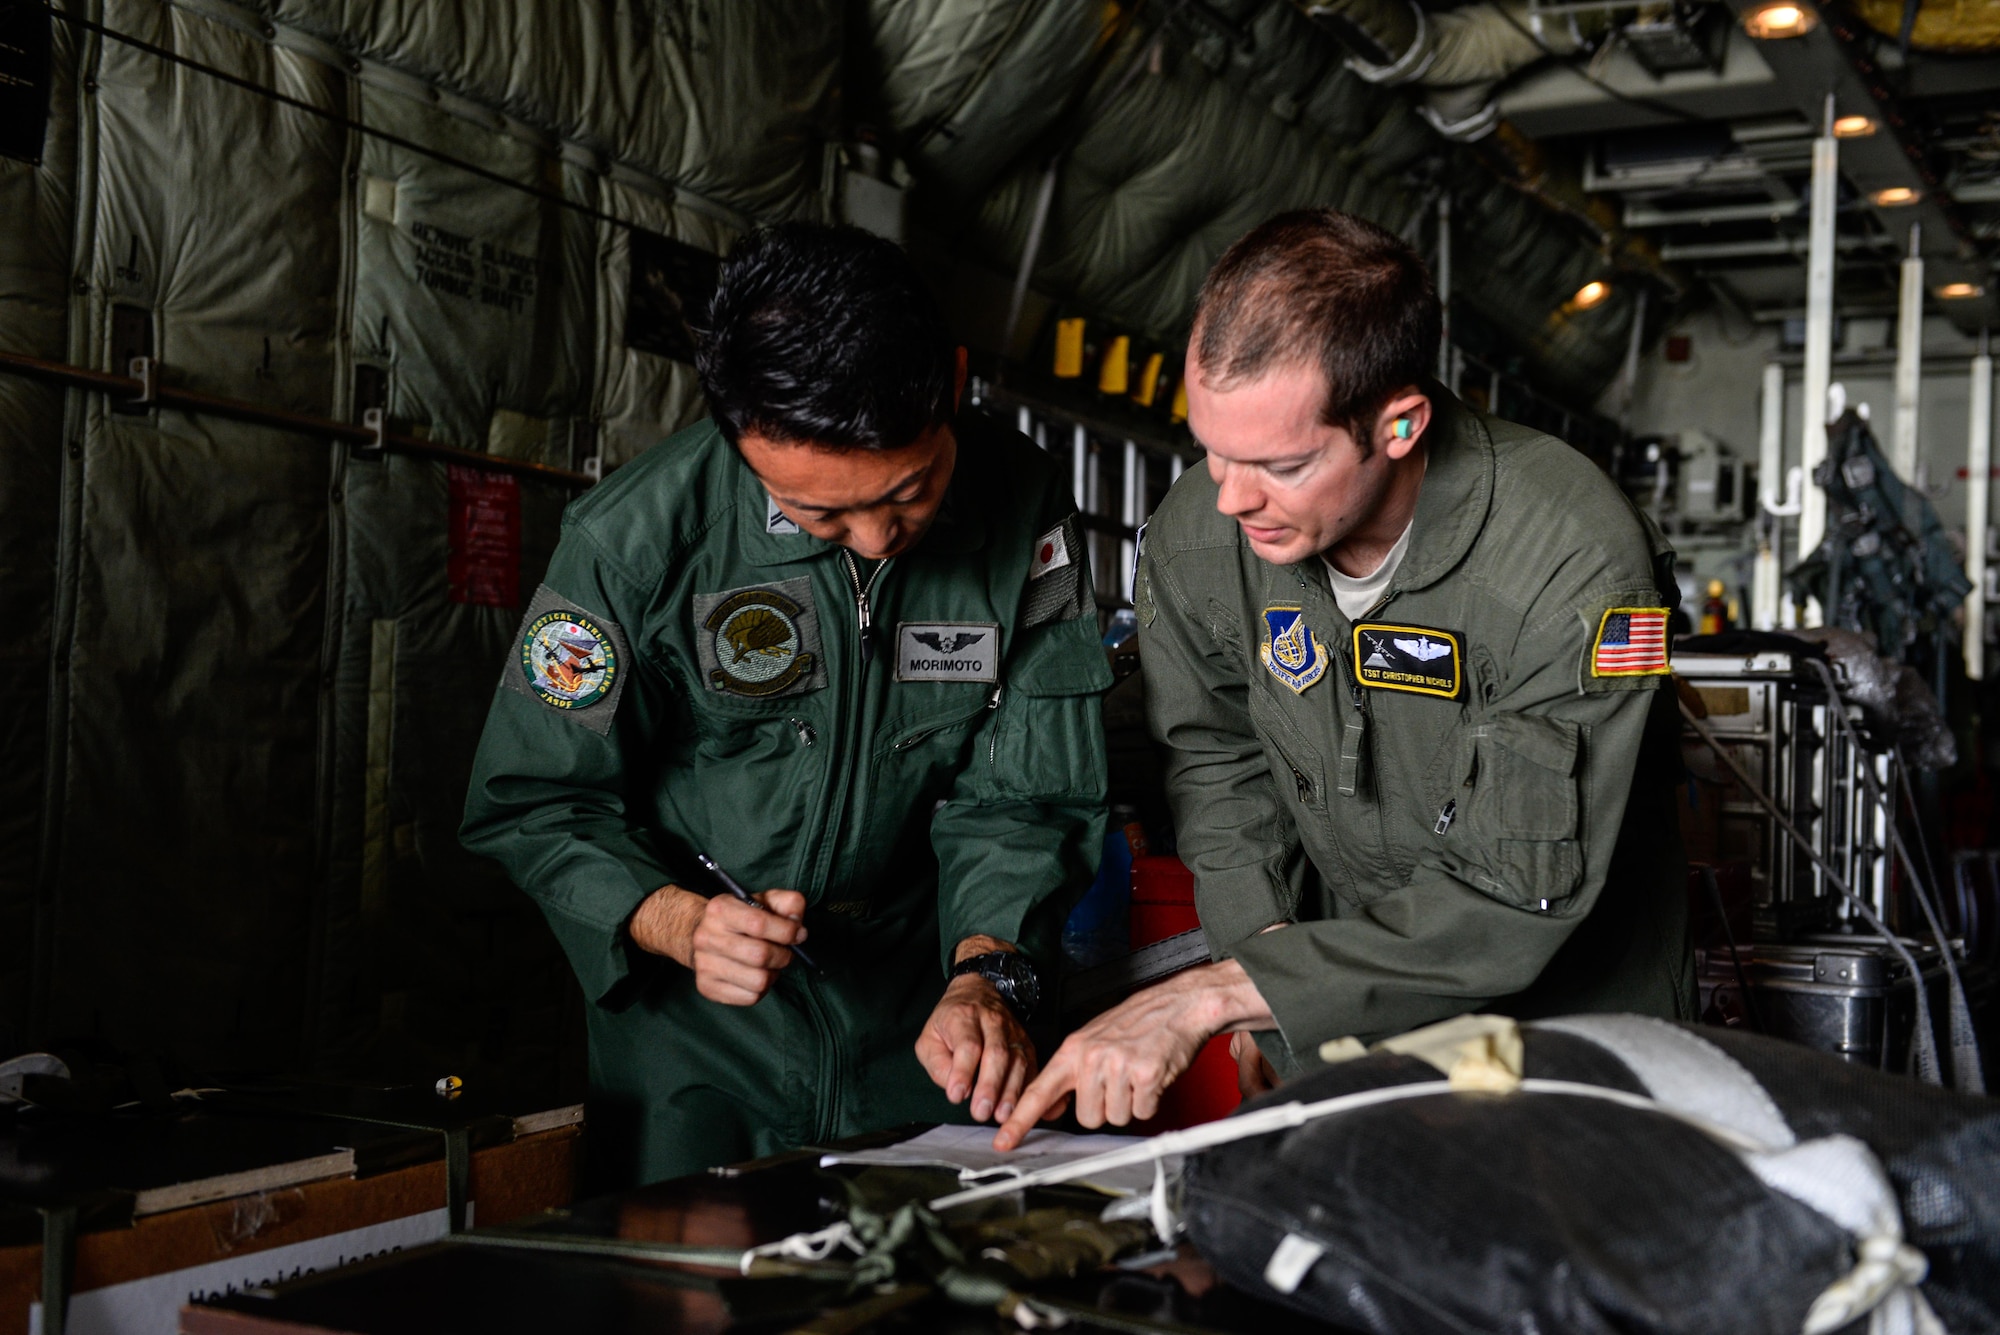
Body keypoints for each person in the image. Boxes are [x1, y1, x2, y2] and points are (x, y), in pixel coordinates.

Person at [996, 209, 1692, 1149]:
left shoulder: (1574, 563)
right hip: (1345, 1030)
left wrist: (1222, 993)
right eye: (1212, 448)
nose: (1234, 495)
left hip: (1571, 1039)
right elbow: (1219, 757)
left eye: (1282, 464)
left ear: (1400, 424)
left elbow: (1511, 891)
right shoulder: (1205, 539)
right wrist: (1273, 967)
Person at [463, 223, 1110, 1183]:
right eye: (822, 514)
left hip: (921, 1021)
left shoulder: (1026, 511)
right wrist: (674, 920)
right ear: (739, 440)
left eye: (909, 491)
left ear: (955, 382)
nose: (877, 539)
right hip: (695, 1041)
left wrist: (987, 973)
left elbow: (1026, 792)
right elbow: (533, 798)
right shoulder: (634, 543)